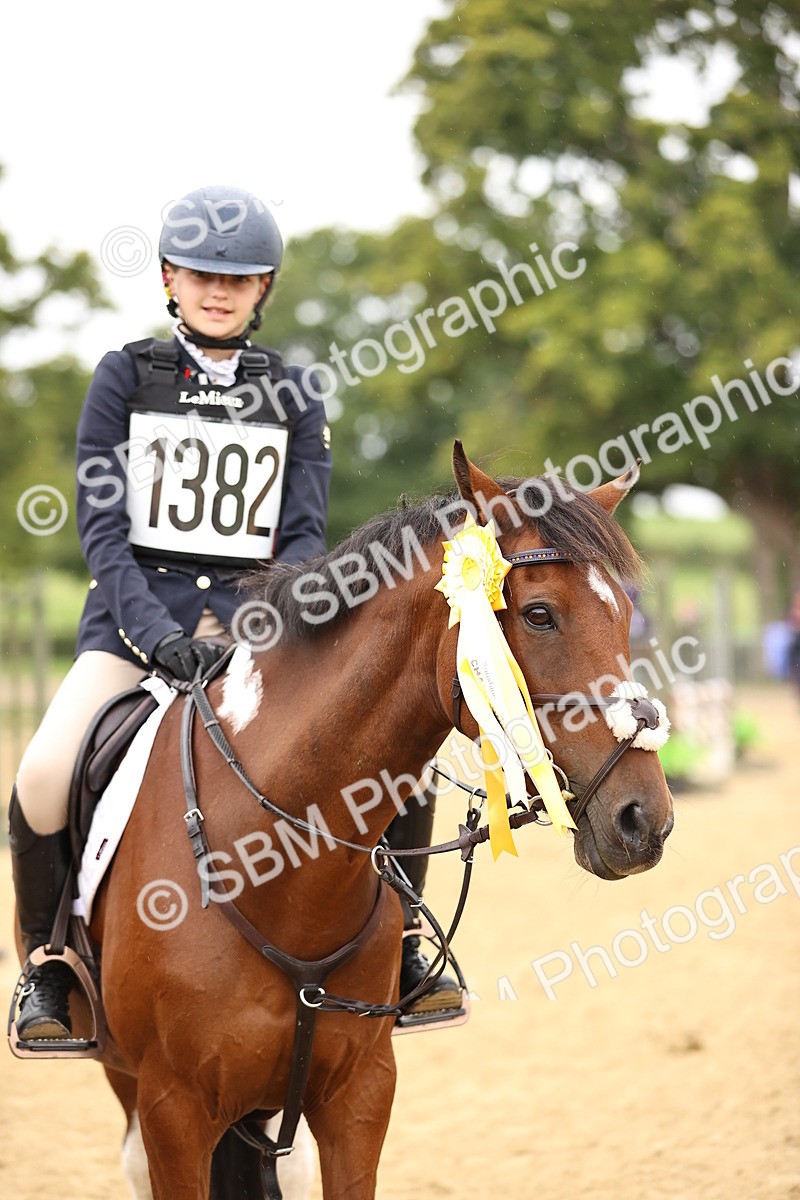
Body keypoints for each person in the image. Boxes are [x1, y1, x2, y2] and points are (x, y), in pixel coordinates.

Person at [9, 184, 459, 1041]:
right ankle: (48, 968)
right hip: (135, 630)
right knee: (42, 775)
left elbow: (301, 536)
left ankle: (403, 945)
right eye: (201, 275)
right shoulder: (123, 377)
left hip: (261, 634)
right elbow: (102, 536)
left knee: (410, 766)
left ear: (263, 290)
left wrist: (250, 632)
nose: (219, 291)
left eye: (240, 278)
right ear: (170, 279)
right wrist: (163, 638)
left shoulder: (294, 391)